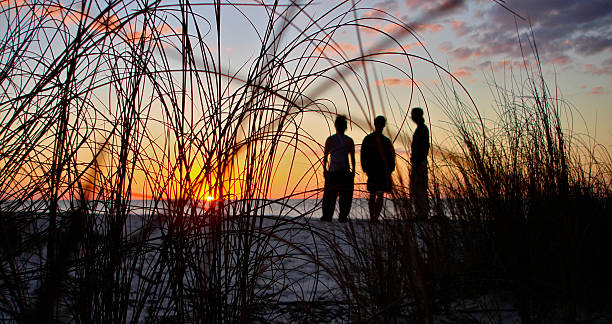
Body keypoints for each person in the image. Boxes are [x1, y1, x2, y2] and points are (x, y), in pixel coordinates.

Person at [321, 115, 355, 223]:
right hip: (339, 171)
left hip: (338, 171)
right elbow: (352, 157)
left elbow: (326, 156)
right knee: (341, 196)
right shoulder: (346, 140)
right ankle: (339, 216)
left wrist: (325, 170)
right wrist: (353, 171)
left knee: (332, 196)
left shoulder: (332, 140)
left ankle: (331, 216)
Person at [361, 115, 395, 222]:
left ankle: (373, 217)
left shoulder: (369, 139)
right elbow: (391, 156)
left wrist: (365, 168)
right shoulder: (384, 140)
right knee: (377, 194)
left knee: (375, 194)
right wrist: (390, 169)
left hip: (377, 171)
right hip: (378, 171)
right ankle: (374, 217)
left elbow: (363, 155)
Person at [410, 107, 430, 220]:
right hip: (418, 162)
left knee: (420, 187)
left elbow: (423, 147)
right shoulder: (421, 129)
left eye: (413, 115)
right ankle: (420, 213)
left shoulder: (422, 129)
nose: (412, 118)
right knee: (417, 188)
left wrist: (417, 162)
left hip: (419, 163)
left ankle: (422, 214)